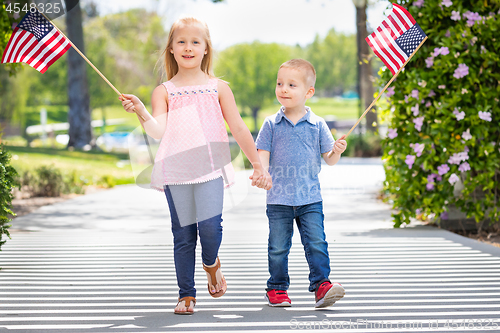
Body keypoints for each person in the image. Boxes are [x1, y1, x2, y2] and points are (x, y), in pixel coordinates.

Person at [120, 17, 272, 315]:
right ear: (172, 50)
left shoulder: (218, 88)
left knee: (210, 229)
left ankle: (211, 263)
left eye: (195, 42)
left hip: (210, 169)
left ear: (205, 49)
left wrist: (257, 165)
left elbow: (239, 128)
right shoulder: (163, 91)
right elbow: (158, 132)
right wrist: (140, 110)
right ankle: (186, 294)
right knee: (183, 234)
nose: (188, 47)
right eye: (181, 42)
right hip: (175, 172)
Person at [255, 59, 347, 308]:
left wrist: (337, 150)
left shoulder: (317, 124)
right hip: (279, 199)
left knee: (316, 242)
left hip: (309, 197)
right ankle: (276, 288)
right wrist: (261, 172)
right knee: (278, 247)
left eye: (291, 85)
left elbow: (329, 159)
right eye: (279, 83)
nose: (283, 89)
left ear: (308, 92)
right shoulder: (271, 124)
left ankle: (321, 285)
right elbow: (262, 154)